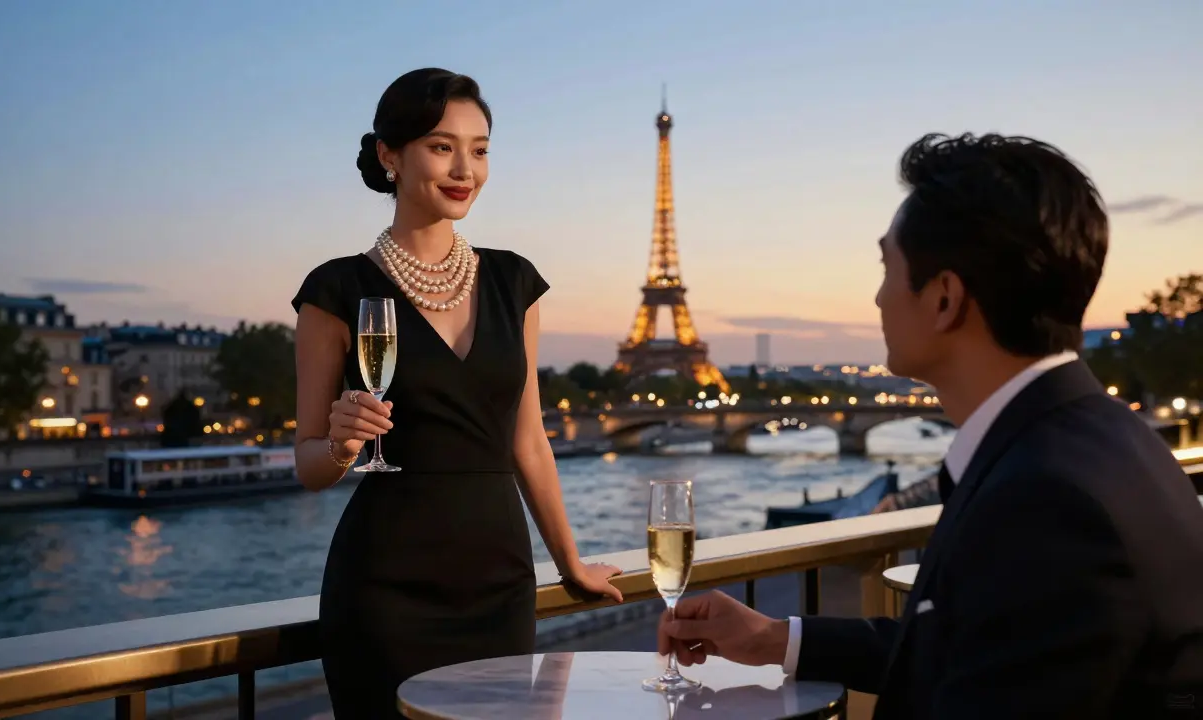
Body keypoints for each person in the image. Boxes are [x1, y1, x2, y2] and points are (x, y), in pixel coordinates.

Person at [658, 133, 1203, 718]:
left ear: (944, 299)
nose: (877, 297)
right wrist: (775, 639)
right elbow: (980, 649)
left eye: (887, 267)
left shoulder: (1044, 500)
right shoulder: (1109, 444)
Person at [291, 68, 622, 718]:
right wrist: (340, 443)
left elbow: (527, 439)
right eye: (443, 146)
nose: (465, 167)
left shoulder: (513, 281)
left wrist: (570, 563)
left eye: (481, 148)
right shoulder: (334, 292)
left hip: (501, 581)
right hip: (384, 587)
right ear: (390, 155)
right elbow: (308, 465)